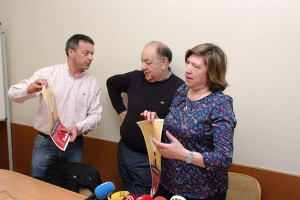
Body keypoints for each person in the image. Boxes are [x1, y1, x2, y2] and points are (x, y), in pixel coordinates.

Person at [141, 43, 237, 200]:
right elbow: (180, 128)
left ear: (211, 73)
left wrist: (185, 155)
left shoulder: (220, 104)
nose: (187, 69)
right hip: (169, 184)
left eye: (196, 66)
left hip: (201, 192)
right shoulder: (182, 91)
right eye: (188, 63)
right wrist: (157, 120)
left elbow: (224, 158)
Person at [8, 34, 102, 179]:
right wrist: (29, 89)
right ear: (71, 52)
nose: (91, 58)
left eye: (92, 54)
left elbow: (96, 115)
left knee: (69, 189)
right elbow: (12, 93)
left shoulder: (92, 83)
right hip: (46, 143)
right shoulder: (48, 74)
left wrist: (78, 127)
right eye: (86, 53)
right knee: (38, 188)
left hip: (74, 145)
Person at [106, 41, 184, 196]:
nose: (143, 66)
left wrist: (159, 122)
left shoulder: (179, 89)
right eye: (142, 61)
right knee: (127, 194)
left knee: (141, 197)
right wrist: (122, 113)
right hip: (124, 149)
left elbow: (180, 127)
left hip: (148, 161)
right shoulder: (136, 77)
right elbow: (111, 83)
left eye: (148, 62)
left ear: (164, 63)